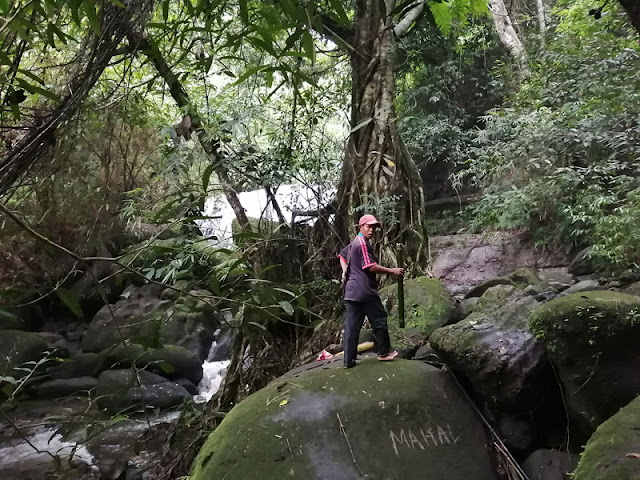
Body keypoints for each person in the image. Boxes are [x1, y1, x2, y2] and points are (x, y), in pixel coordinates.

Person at [338, 214, 404, 368]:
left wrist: (344, 271)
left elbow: (341, 255)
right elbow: (369, 266)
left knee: (352, 326)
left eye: (374, 227)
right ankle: (383, 353)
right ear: (361, 227)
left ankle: (348, 361)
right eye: (369, 226)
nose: (372, 230)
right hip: (364, 291)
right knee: (379, 318)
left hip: (351, 292)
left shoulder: (355, 242)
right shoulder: (362, 244)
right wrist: (392, 270)